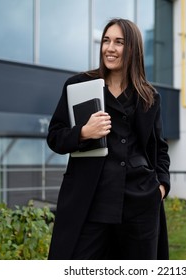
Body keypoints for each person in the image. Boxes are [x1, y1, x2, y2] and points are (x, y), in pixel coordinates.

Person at [46, 18, 171, 260]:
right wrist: (83, 132)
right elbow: (55, 137)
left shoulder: (149, 96)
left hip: (139, 201)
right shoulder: (79, 85)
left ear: (132, 49)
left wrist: (162, 186)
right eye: (106, 40)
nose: (109, 48)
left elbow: (159, 148)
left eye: (119, 42)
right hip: (90, 200)